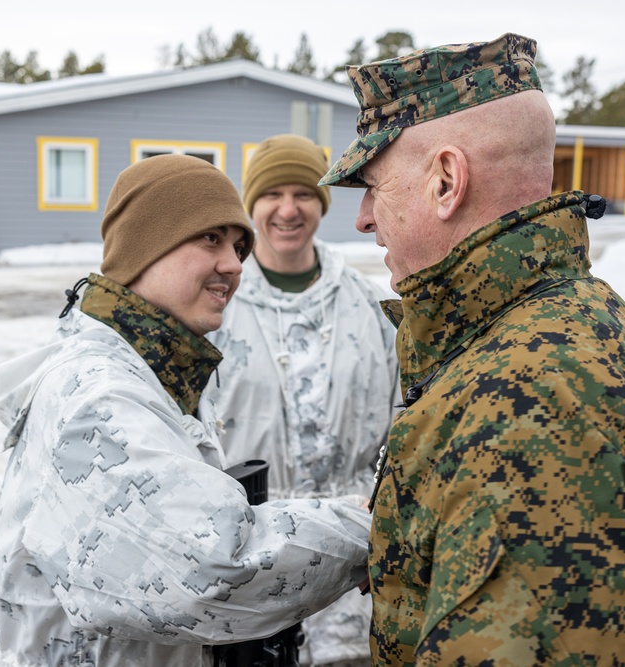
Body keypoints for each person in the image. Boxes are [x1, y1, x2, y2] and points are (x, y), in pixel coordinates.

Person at [319, 33, 625, 666]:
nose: (362, 218)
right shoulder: (568, 316)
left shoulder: (527, 404)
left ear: (447, 180)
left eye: (374, 186)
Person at [0, 154, 371, 667]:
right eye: (210, 239)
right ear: (145, 247)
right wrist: (364, 529)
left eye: (238, 246)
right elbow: (206, 569)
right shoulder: (99, 397)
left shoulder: (156, 373)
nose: (233, 263)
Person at [204, 133, 398, 667]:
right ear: (251, 203)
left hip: (352, 561)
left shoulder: (365, 304)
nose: (288, 210)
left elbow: (404, 413)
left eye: (304, 194)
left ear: (322, 204)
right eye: (272, 194)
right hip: (249, 566)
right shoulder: (214, 304)